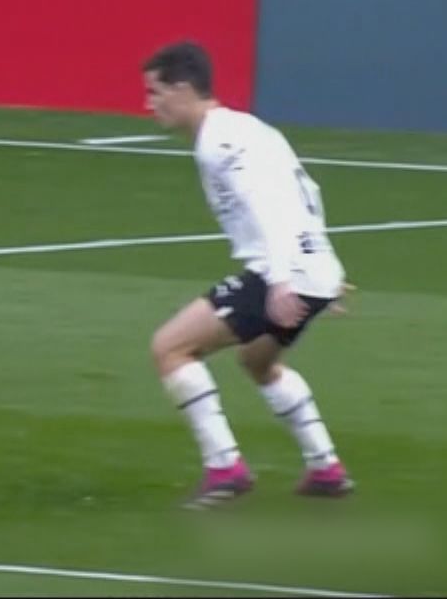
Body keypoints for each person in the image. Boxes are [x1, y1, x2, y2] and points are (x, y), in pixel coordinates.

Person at [140, 41, 355, 509]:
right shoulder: (249, 129)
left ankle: (225, 467)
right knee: (258, 362)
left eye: (155, 92)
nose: (148, 103)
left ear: (183, 88)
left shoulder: (220, 142)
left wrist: (280, 280)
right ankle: (326, 469)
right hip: (313, 272)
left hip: (283, 274)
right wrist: (322, 265)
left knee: (170, 347)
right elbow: (307, 192)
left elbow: (266, 204)